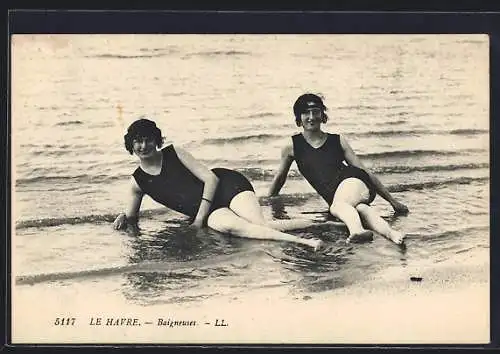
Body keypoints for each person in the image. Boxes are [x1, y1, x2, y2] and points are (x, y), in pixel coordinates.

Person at [113, 117, 326, 250]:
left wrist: (198, 221)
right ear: (130, 145)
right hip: (210, 209)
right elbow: (132, 218)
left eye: (148, 139)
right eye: (138, 141)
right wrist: (124, 216)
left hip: (227, 185)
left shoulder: (173, 153)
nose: (143, 145)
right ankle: (318, 231)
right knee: (234, 227)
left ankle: (311, 237)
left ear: (156, 140)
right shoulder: (137, 182)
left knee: (259, 226)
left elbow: (210, 179)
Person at [268, 93, 409, 244]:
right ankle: (392, 234)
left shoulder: (337, 140)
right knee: (361, 210)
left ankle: (357, 231)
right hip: (344, 198)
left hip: (354, 181)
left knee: (338, 207)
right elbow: (280, 177)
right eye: (305, 113)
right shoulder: (291, 146)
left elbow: (364, 171)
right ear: (298, 118)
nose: (311, 117)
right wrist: (270, 200)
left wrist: (392, 201)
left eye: (315, 111)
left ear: (322, 115)